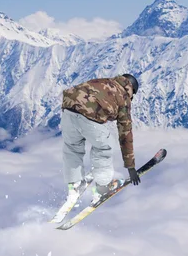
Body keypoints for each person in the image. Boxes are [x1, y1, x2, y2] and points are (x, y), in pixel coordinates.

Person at [60, 74, 141, 205]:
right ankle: (102, 188)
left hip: (68, 109)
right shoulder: (124, 96)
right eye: (134, 94)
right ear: (130, 88)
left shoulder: (104, 81)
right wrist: (130, 167)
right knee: (105, 147)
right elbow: (125, 133)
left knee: (72, 148)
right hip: (87, 114)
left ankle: (74, 187)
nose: (133, 97)